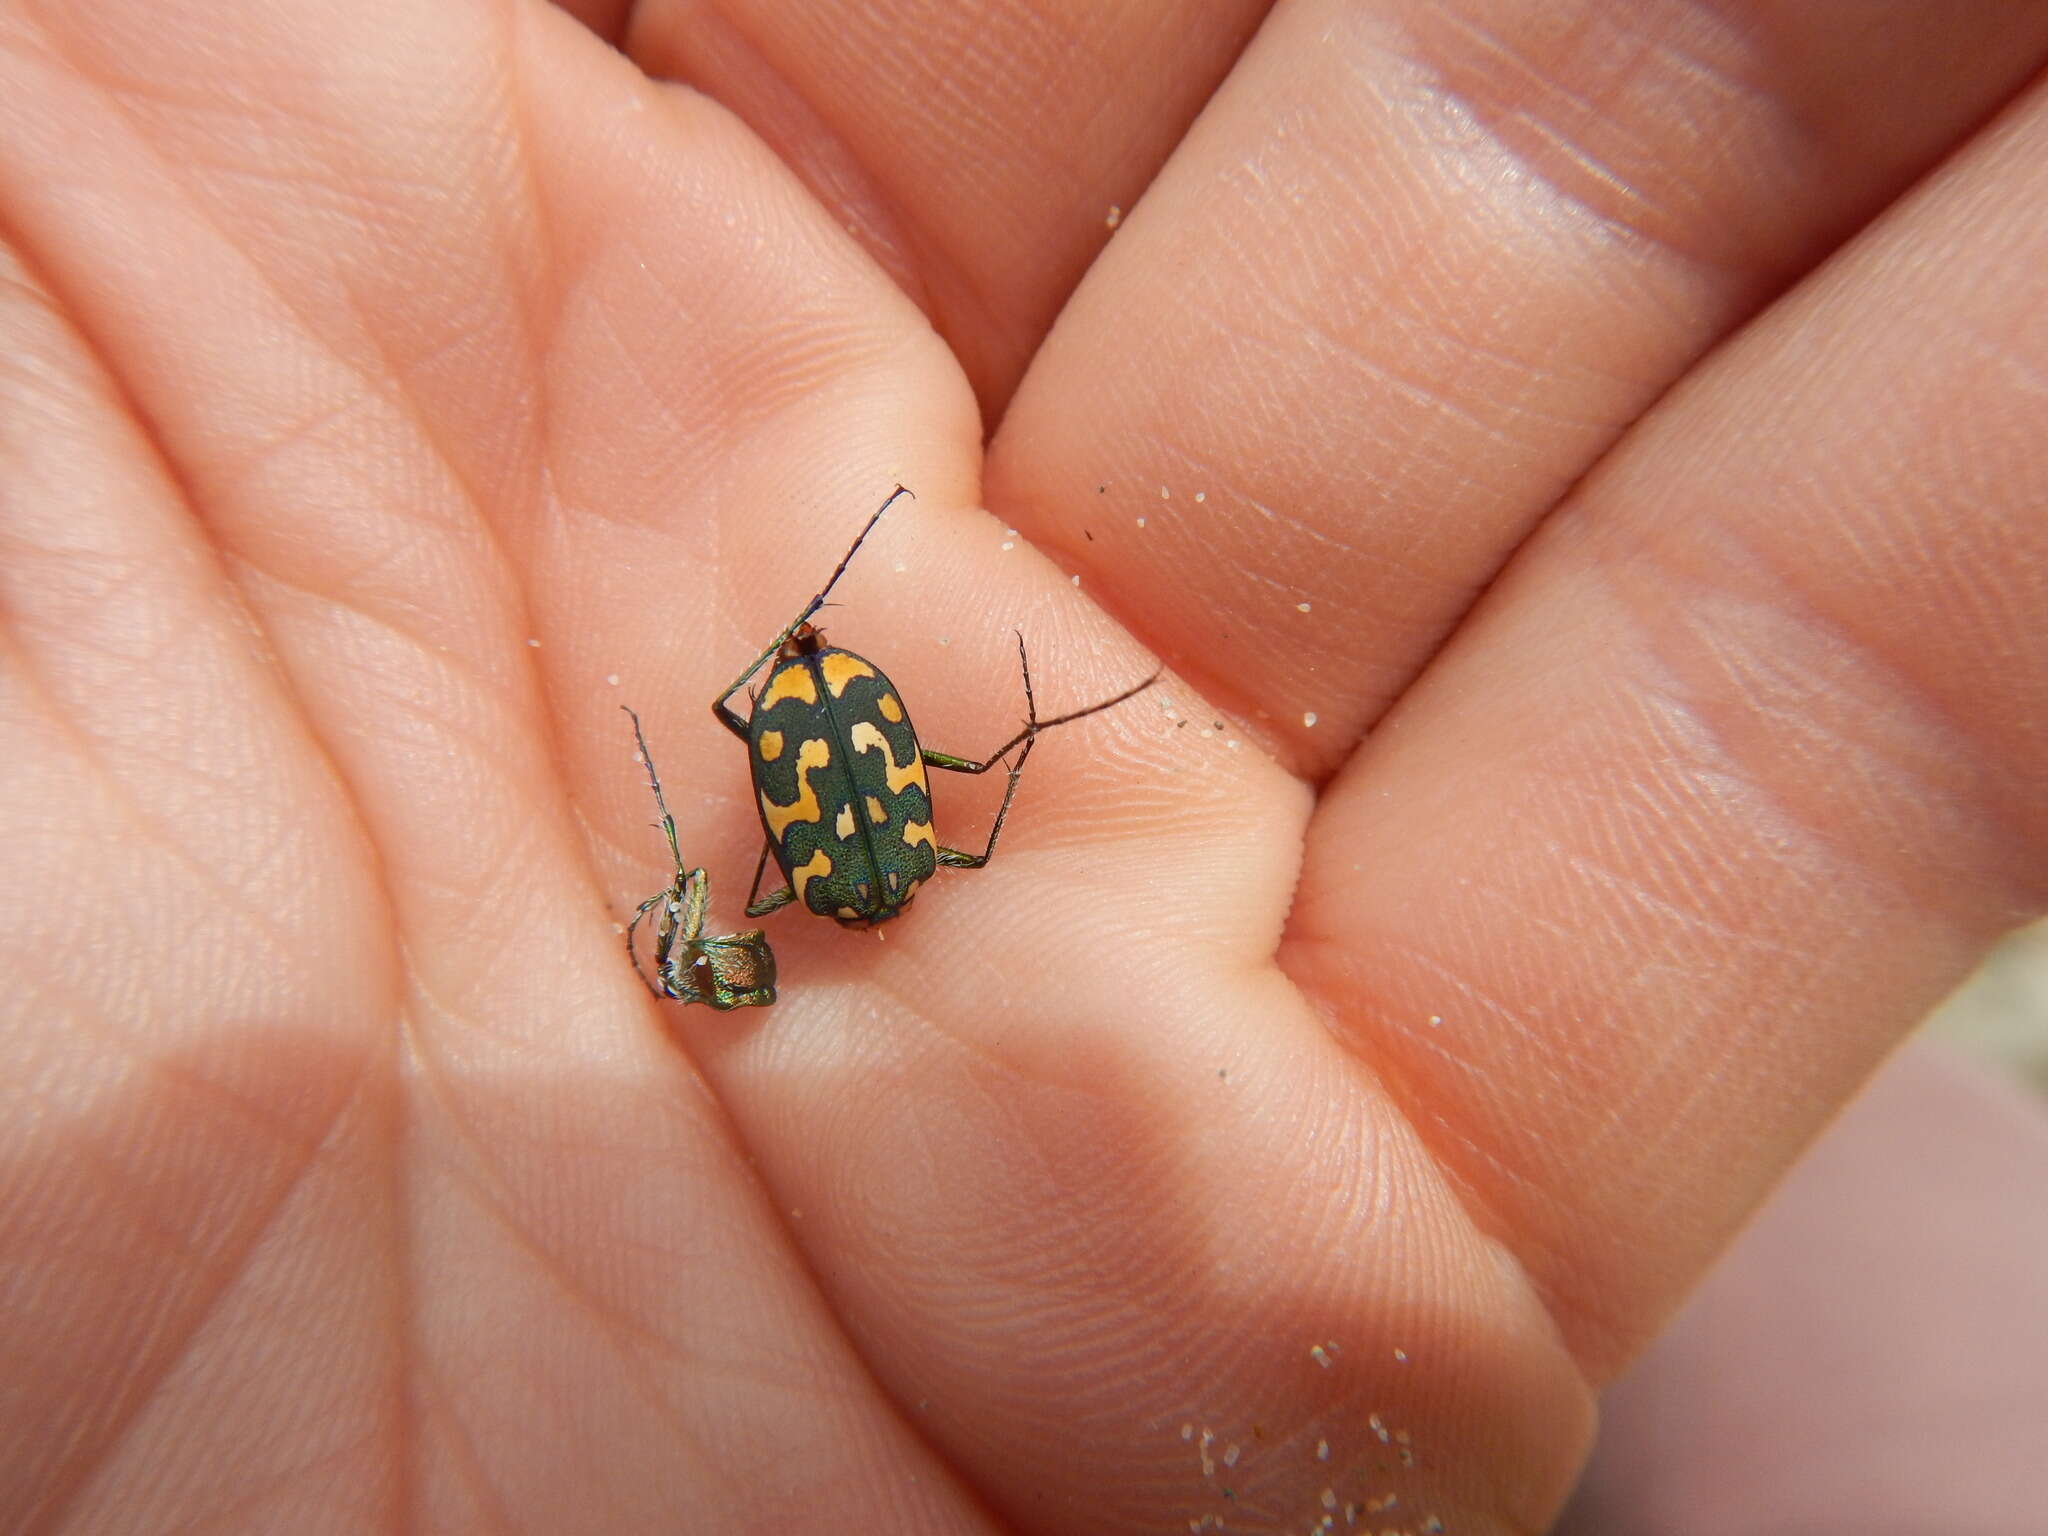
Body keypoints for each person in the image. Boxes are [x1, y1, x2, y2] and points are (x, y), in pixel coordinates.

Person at [3, 2, 2044, 1529]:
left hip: (857, 805)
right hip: (866, 808)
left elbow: (836, 801)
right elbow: (847, 796)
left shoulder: (820, 818)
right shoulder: (829, 808)